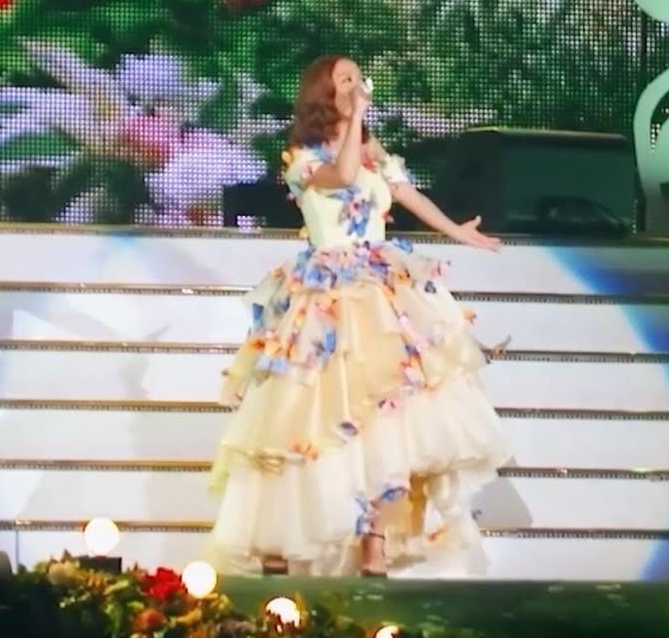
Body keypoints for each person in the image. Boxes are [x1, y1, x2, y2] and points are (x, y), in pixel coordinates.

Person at [205, 54, 513, 577]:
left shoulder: (372, 149)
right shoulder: (302, 158)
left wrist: (457, 231)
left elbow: (404, 192)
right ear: (323, 94)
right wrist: (355, 122)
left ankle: (375, 543)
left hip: (379, 292)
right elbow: (343, 175)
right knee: (306, 419)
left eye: (357, 78)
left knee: (385, 418)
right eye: (344, 80)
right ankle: (281, 540)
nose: (356, 86)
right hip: (324, 297)